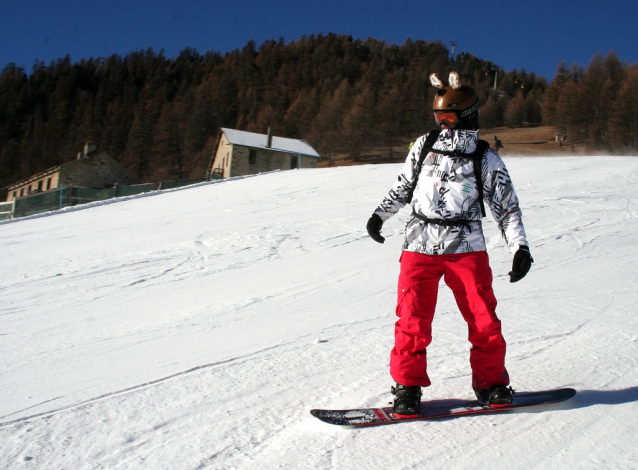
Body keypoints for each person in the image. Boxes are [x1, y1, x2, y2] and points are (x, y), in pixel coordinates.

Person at [366, 72, 533, 417]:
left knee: (483, 318)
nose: (443, 124)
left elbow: (507, 208)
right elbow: (403, 186)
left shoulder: (486, 159)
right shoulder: (423, 146)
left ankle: (491, 383)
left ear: (468, 117)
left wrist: (519, 248)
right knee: (412, 319)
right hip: (419, 245)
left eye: (449, 118)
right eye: (438, 117)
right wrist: (380, 215)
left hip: (466, 247)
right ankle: (407, 388)